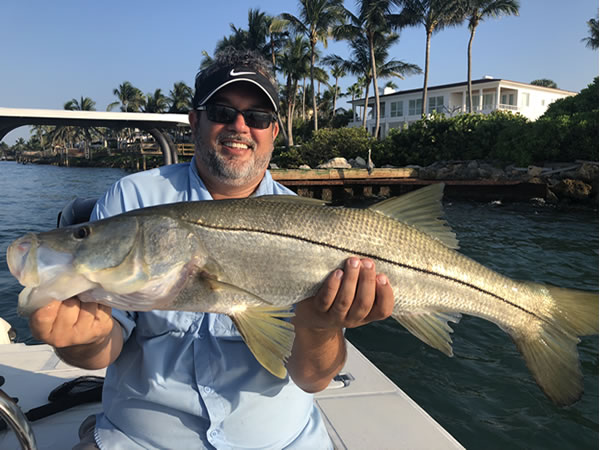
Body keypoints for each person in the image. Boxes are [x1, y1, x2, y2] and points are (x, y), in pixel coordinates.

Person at [28, 49, 395, 449]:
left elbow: (313, 377)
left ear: (273, 130)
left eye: (257, 117)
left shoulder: (313, 223)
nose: (239, 126)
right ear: (194, 120)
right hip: (139, 440)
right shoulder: (134, 198)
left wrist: (322, 326)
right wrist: (85, 341)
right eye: (222, 111)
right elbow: (105, 342)